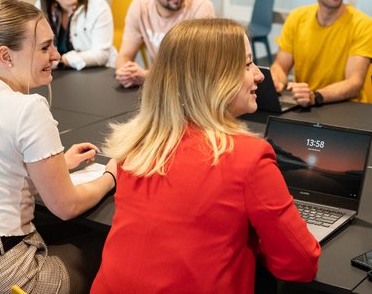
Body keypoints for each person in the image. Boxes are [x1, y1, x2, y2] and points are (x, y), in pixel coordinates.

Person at [92, 18, 320, 293]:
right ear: (214, 79)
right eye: (247, 65)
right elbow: (301, 264)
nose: (259, 75)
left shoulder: (134, 145)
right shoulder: (248, 157)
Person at [0, 0, 117, 294]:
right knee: (108, 246)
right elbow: (67, 206)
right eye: (44, 47)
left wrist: (58, 164)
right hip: (4, 276)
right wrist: (111, 176)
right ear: (6, 56)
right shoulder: (29, 108)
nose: (56, 55)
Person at [270, 0, 372, 106]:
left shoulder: (364, 25)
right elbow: (280, 65)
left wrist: (315, 96)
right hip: (305, 106)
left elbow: (354, 82)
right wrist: (276, 80)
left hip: (347, 109)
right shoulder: (296, 18)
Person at [115, 0, 215, 88]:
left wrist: (147, 76)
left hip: (194, 88)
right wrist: (125, 73)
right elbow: (125, 55)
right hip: (160, 87)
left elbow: (197, 68)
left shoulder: (200, 8)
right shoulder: (139, 7)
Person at [36, 0, 115, 70]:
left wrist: (61, 61)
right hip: (55, 74)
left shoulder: (99, 6)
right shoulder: (40, 8)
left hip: (96, 72)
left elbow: (101, 55)